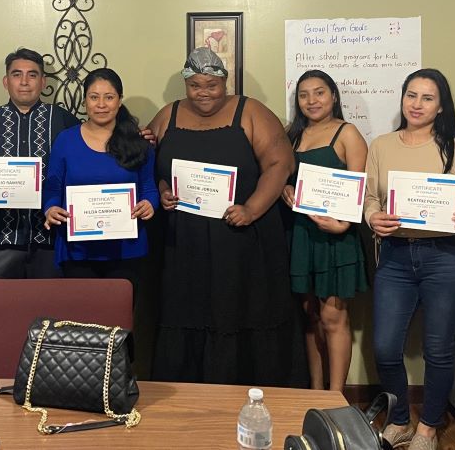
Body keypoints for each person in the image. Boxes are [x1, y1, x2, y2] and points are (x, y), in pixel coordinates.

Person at [147, 47, 296, 385]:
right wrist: (161, 190)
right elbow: (150, 167)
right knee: (186, 311)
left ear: (225, 82)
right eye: (196, 85)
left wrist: (252, 208)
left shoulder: (251, 111)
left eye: (212, 85)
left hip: (241, 236)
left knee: (240, 309)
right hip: (183, 242)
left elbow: (279, 164)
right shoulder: (167, 115)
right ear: (186, 84)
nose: (204, 93)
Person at [365, 68, 455, 450]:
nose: (416, 104)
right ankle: (401, 418)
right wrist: (373, 216)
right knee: (386, 347)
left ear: (440, 107)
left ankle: (429, 427)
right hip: (396, 256)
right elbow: (371, 197)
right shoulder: (381, 145)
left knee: (438, 348)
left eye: (427, 98)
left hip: (447, 258)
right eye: (411, 95)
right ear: (402, 99)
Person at [0, 48, 79, 279]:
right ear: (6, 81)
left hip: (52, 241)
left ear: (43, 82)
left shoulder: (65, 121)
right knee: (3, 311)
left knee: (50, 311)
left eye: (32, 75)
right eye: (16, 74)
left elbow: (84, 167)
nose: (24, 82)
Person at [280, 69, 368, 391]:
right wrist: (284, 191)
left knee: (334, 318)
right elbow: (279, 176)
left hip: (335, 238)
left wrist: (343, 223)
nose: (312, 100)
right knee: (310, 317)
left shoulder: (347, 133)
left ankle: (335, 398)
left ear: (333, 96)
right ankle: (314, 393)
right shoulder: (290, 134)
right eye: (304, 95)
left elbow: (360, 191)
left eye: (319, 92)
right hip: (301, 235)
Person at [42, 68, 158, 282]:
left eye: (109, 97)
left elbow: (149, 187)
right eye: (94, 97)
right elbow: (53, 186)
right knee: (80, 315)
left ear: (120, 100)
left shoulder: (139, 141)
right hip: (77, 249)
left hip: (126, 248)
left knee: (120, 313)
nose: (101, 104)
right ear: (85, 101)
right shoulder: (66, 140)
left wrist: (150, 204)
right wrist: (50, 208)